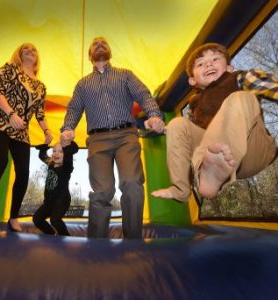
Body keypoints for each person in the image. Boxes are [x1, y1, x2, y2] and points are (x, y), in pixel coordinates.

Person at [60, 36, 165, 239]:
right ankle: (96, 245)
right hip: (97, 140)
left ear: (110, 52)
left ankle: (133, 241)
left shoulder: (125, 75)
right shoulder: (82, 84)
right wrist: (67, 128)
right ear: (89, 55)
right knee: (102, 192)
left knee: (132, 183)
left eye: (104, 42)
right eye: (95, 44)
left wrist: (154, 115)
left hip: (126, 135)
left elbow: (144, 95)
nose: (100, 44)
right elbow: (73, 108)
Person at [151, 42, 277, 202]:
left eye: (215, 59)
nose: (209, 64)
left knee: (240, 98)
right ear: (192, 80)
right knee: (178, 124)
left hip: (254, 150)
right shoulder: (195, 103)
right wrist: (161, 127)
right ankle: (182, 188)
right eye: (201, 64)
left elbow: (269, 86)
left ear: (229, 68)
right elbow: (188, 135)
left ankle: (214, 167)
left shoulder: (239, 78)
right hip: (219, 156)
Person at [0, 43, 52, 232]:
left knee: (23, 172)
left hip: (21, 132)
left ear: (37, 58)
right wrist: (11, 115)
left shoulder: (40, 87)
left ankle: (13, 217)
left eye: (33, 49)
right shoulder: (9, 69)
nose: (29, 51)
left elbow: (39, 113)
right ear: (19, 54)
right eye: (25, 49)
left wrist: (47, 131)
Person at [33, 141, 79, 236]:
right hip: (49, 201)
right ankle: (51, 234)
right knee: (37, 219)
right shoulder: (51, 164)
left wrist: (67, 144)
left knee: (55, 220)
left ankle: (66, 237)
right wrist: (44, 147)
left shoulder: (67, 167)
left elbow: (72, 150)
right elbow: (42, 156)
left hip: (62, 200)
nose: (56, 153)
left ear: (66, 154)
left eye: (60, 152)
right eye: (54, 151)